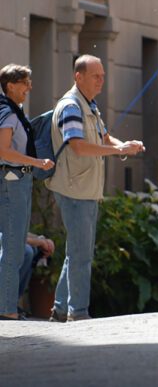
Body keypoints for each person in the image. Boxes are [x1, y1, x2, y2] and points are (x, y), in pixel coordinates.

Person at [46, 55, 144, 322]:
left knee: (77, 251)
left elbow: (103, 137)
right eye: (96, 76)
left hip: (85, 189)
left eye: (102, 75)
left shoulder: (89, 104)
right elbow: (77, 145)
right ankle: (77, 312)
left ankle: (61, 309)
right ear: (79, 77)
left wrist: (125, 145)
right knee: (81, 254)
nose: (102, 80)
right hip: (75, 189)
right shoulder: (71, 106)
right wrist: (117, 150)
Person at [0, 64, 54, 320]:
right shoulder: (7, 114)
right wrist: (36, 162)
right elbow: (3, 152)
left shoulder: (13, 111)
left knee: (18, 244)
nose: (30, 87)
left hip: (18, 181)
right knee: (13, 246)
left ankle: (8, 306)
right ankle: (6, 308)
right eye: (25, 83)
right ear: (11, 86)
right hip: (12, 180)